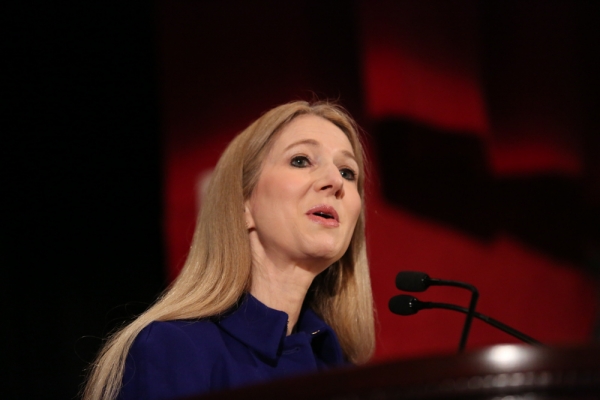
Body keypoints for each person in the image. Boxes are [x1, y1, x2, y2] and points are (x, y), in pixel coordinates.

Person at [83, 100, 375, 400]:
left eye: (348, 172)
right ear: (243, 204)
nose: (335, 182)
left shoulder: (340, 368)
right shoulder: (172, 350)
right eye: (301, 160)